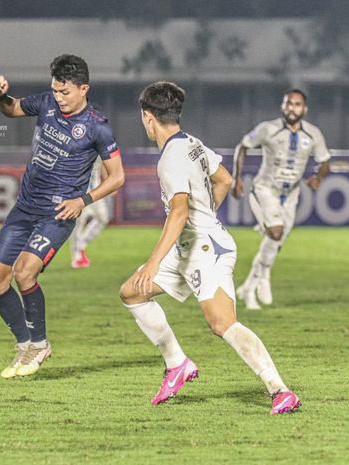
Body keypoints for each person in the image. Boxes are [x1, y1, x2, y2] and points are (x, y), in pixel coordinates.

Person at [119, 81, 300, 414]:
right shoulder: (191, 143)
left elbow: (179, 211)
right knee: (132, 292)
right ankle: (177, 365)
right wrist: (204, 219)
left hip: (205, 250)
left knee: (222, 323)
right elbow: (225, 180)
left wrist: (152, 262)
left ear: (148, 117)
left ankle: (280, 391)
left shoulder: (169, 158)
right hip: (193, 245)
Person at [0, 55, 124, 378]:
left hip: (58, 213)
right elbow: (11, 109)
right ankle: (25, 344)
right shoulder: (45, 104)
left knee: (24, 274)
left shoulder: (97, 127)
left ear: (84, 89)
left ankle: (41, 343)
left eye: (65, 92)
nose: (59, 98)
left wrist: (83, 200)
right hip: (24, 207)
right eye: (56, 91)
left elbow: (116, 177)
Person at [233, 89, 330, 310]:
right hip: (265, 190)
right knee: (275, 233)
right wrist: (236, 179)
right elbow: (242, 147)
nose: (292, 108)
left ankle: (249, 286)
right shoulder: (268, 129)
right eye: (288, 104)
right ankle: (260, 281)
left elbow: (325, 161)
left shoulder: (313, 134)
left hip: (291, 195)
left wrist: (319, 177)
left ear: (304, 109)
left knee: (276, 243)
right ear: (282, 106)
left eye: (297, 104)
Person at [69, 157, 112, 268]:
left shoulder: (101, 141)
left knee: (103, 218)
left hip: (95, 190)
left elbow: (105, 161)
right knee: (79, 221)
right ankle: (77, 256)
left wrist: (108, 179)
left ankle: (81, 245)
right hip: (80, 189)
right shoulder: (78, 143)